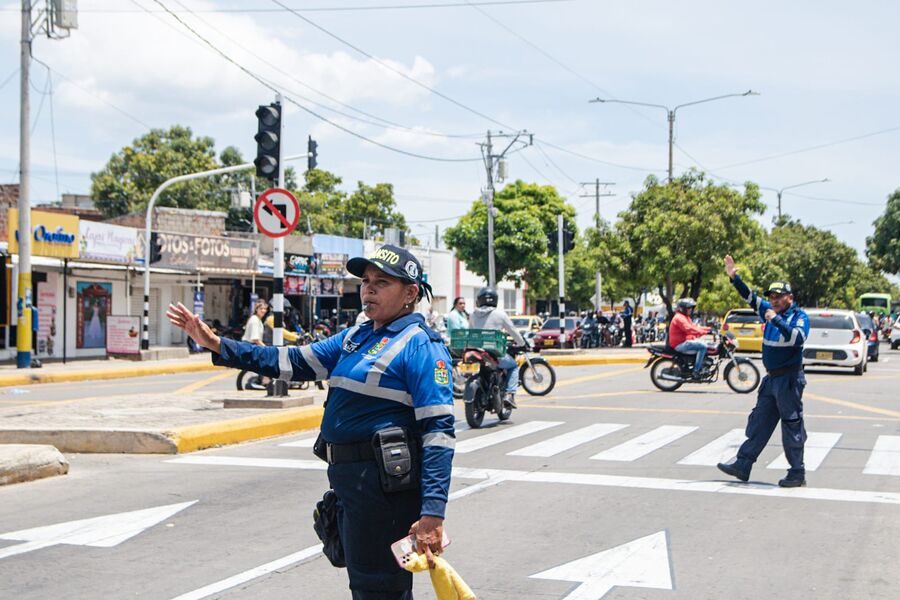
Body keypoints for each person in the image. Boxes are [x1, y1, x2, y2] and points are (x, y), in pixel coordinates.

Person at [167, 243, 454, 599]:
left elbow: (439, 433)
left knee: (379, 588)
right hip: (351, 484)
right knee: (367, 586)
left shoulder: (421, 345)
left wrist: (433, 512)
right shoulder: (356, 337)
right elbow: (290, 361)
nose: (369, 289)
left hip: (383, 492)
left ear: (410, 293)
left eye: (382, 282)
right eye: (366, 280)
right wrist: (218, 344)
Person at [717, 255, 810, 488]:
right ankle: (743, 464)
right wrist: (734, 278)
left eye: (779, 297)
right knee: (760, 421)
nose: (774, 300)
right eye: (772, 297)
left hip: (789, 379)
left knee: (791, 424)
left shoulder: (799, 317)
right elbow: (750, 297)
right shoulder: (768, 309)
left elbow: (798, 338)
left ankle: (797, 472)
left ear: (790, 297)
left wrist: (776, 319)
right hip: (772, 379)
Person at [469, 287, 527, 408]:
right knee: (513, 366)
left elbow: (471, 332)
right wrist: (522, 343)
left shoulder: (473, 314)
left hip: (478, 352)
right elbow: (513, 331)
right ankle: (510, 394)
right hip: (495, 353)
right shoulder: (500, 314)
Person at [668, 298, 711, 379]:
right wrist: (704, 332)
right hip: (679, 344)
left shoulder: (685, 317)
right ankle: (696, 371)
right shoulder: (679, 318)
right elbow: (689, 329)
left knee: (706, 343)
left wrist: (708, 329)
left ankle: (701, 365)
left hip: (684, 342)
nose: (690, 310)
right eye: (688, 308)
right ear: (682, 308)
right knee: (703, 346)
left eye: (691, 308)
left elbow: (694, 327)